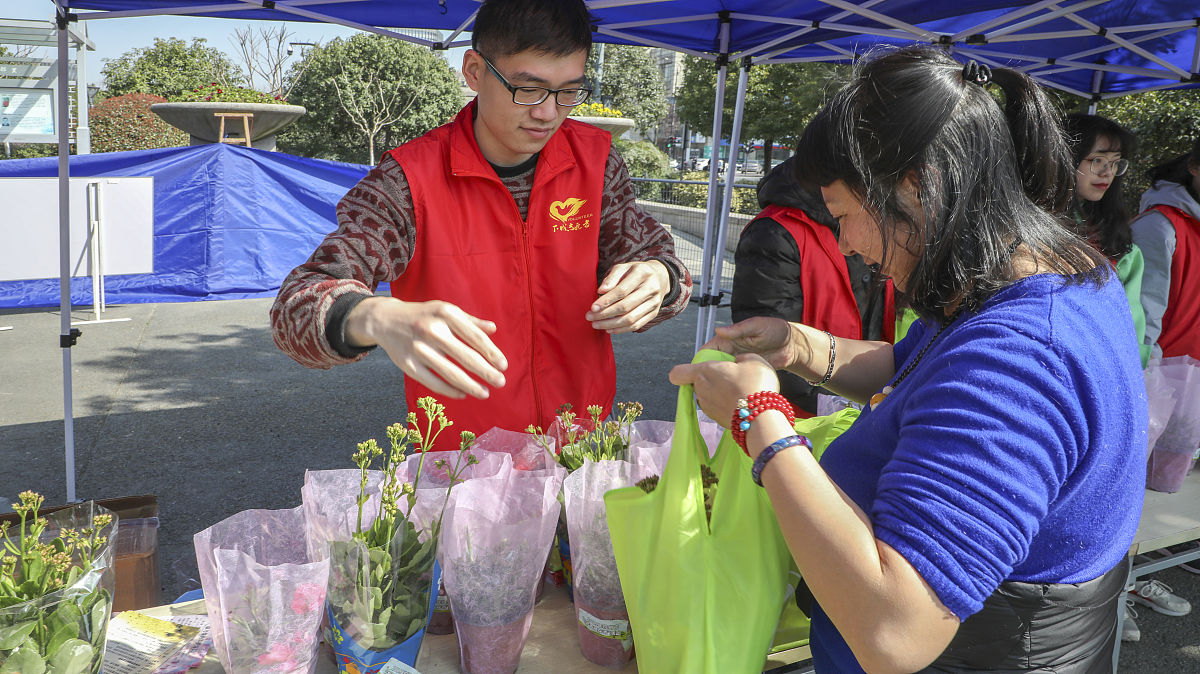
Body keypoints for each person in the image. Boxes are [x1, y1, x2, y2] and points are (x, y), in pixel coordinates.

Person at [671, 47, 1146, 672]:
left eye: (843, 214)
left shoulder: (1021, 360)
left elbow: (897, 632)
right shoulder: (1038, 275)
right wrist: (799, 345)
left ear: (916, 186)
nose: (844, 243)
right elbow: (917, 367)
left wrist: (756, 417)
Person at [270, 0, 691, 447]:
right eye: (528, 88)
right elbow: (294, 309)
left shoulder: (598, 162)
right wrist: (374, 315)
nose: (549, 112)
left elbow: (659, 260)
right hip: (463, 465)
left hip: (585, 445)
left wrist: (659, 279)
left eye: (569, 91)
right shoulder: (408, 180)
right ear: (474, 70)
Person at [1064, 114, 1190, 641]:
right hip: (1056, 392)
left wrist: (1135, 384)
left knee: (1106, 502)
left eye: (1115, 164)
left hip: (1111, 390)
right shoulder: (1026, 229)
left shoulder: (1122, 239)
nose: (1107, 173)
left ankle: (1111, 596)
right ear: (1061, 157)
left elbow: (1136, 326)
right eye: (1095, 160)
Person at [731, 156, 892, 418]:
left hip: (865, 407)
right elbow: (770, 356)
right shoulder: (774, 233)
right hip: (804, 419)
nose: (846, 245)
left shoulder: (879, 222)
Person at [1131, 137, 1200, 362]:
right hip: (1171, 375)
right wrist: (1149, 377)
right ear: (1194, 168)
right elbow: (1142, 313)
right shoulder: (1159, 226)